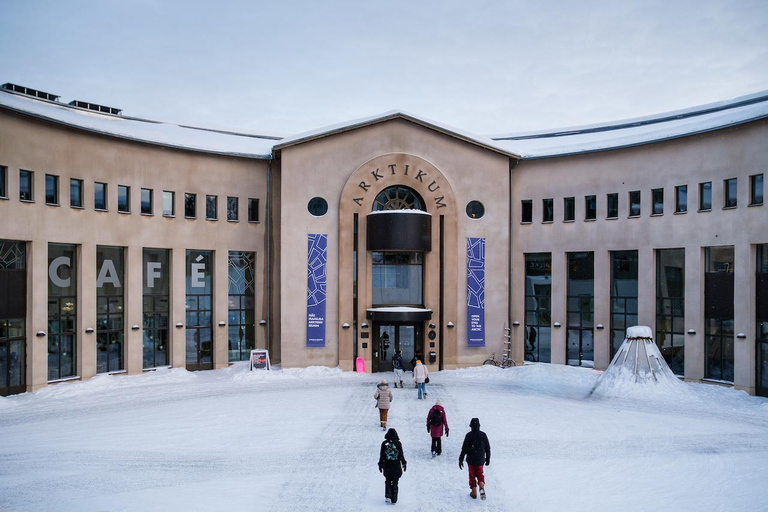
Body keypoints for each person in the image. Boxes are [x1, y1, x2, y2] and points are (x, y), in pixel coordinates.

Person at [458, 418, 491, 500]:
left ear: (471, 426)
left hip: (471, 460)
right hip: (480, 460)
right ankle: (481, 487)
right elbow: (488, 448)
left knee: (472, 476)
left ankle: (474, 493)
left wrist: (460, 459)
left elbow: (464, 449)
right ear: (479, 426)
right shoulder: (483, 435)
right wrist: (488, 458)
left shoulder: (468, 435)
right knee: (480, 474)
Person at [378, 428, 407, 504]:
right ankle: (394, 499)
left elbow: (382, 455)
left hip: (387, 466)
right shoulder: (398, 443)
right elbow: (401, 455)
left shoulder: (384, 444)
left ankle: (388, 496)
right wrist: (404, 463)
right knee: (395, 482)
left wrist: (380, 464)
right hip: (396, 466)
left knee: (388, 481)